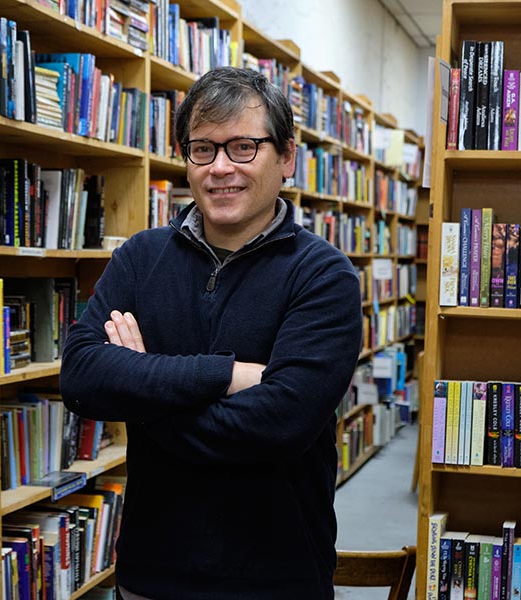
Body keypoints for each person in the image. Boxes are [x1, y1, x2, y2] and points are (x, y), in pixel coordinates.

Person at [60, 66, 363, 600]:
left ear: (287, 157)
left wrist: (143, 391)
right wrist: (226, 373)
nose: (220, 168)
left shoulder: (325, 276)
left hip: (274, 578)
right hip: (151, 573)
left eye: (243, 147)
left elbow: (279, 426)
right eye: (203, 149)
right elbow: (81, 378)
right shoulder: (139, 258)